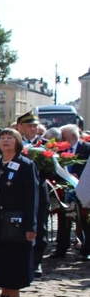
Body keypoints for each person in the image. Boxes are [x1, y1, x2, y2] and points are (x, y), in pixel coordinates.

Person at [0, 128, 38, 297]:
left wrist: (32, 225)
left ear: (18, 142)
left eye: (10, 138)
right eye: (2, 138)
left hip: (17, 222)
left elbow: (32, 198)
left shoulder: (25, 165)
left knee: (15, 258)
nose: (5, 141)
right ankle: (4, 293)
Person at [51, 124, 90, 261]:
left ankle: (87, 249)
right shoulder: (60, 150)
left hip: (83, 188)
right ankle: (61, 248)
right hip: (64, 190)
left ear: (73, 136)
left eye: (65, 136)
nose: (62, 139)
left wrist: (78, 176)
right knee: (64, 220)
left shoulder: (87, 148)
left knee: (85, 220)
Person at [16, 110, 47, 278]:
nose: (33, 129)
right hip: (18, 192)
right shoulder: (15, 144)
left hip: (40, 192)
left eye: (35, 126)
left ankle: (37, 261)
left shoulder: (46, 144)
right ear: (20, 127)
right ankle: (21, 259)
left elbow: (54, 171)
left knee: (39, 225)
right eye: (29, 126)